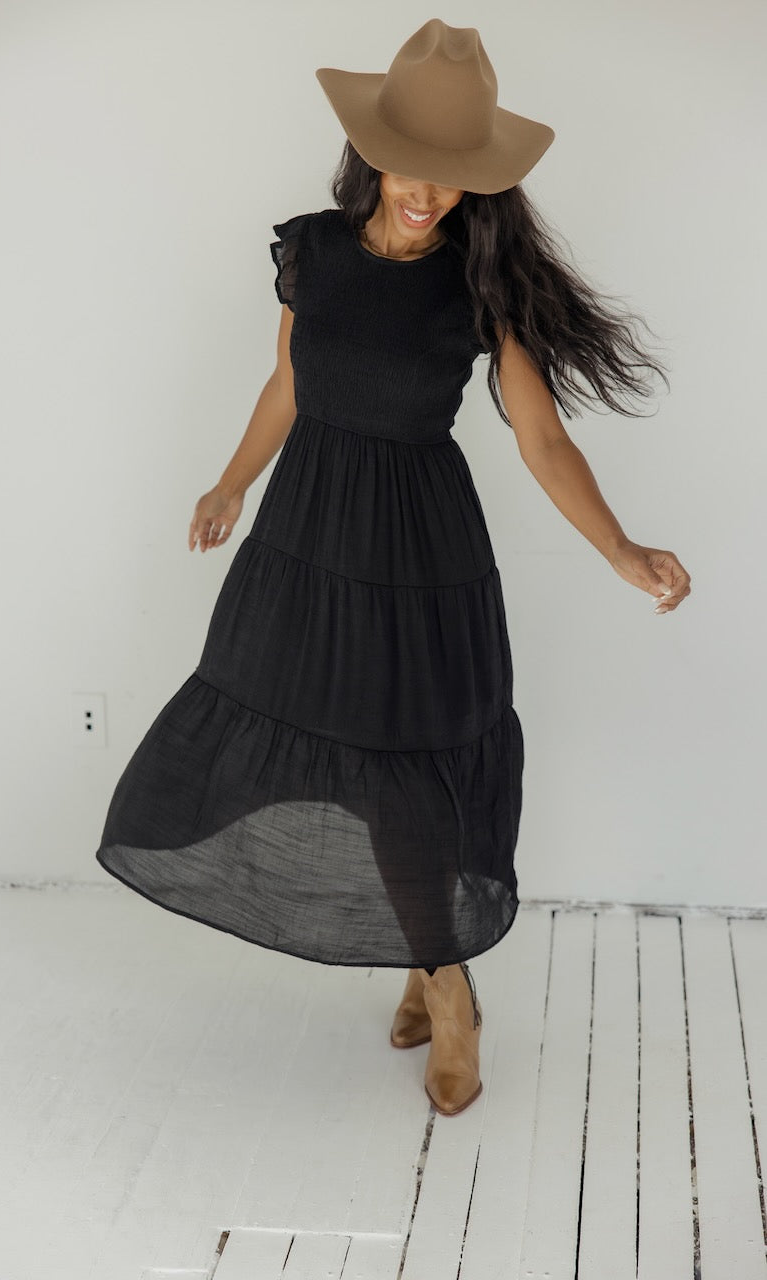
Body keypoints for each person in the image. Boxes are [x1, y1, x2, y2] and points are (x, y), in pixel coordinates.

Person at [95, 19, 691, 1118]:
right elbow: (287, 384)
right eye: (413, 166)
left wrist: (620, 547)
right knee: (314, 749)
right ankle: (429, 959)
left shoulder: (478, 286)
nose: (429, 194)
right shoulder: (312, 254)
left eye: (454, 176)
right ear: (371, 152)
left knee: (402, 773)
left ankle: (448, 988)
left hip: (418, 555)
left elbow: (541, 437)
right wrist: (230, 483)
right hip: (306, 537)